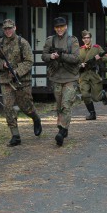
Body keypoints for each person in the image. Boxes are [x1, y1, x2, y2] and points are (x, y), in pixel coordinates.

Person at [0, 19, 42, 147]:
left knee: (25, 106)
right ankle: (15, 135)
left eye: (10, 28)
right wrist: (2, 64)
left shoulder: (22, 43)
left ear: (15, 28)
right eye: (5, 29)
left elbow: (29, 61)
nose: (8, 31)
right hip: (6, 81)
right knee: (8, 107)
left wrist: (17, 71)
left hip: (22, 80)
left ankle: (35, 118)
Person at [41, 17, 80, 146]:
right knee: (59, 106)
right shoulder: (50, 40)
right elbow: (43, 55)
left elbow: (76, 58)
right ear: (54, 28)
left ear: (66, 27)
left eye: (62, 26)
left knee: (66, 104)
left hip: (70, 77)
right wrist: (51, 56)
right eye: (57, 27)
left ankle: (61, 132)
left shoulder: (72, 40)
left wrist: (62, 56)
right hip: (56, 78)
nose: (59, 29)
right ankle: (63, 128)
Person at [78, 30, 107, 120]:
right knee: (85, 95)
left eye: (88, 37)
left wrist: (100, 58)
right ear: (82, 39)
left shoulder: (97, 48)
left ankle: (102, 95)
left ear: (91, 38)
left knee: (96, 97)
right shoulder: (79, 50)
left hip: (93, 74)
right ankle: (92, 113)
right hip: (83, 74)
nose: (86, 39)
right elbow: (75, 62)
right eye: (84, 38)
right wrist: (81, 65)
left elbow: (106, 58)